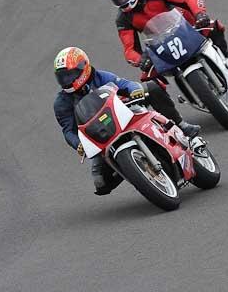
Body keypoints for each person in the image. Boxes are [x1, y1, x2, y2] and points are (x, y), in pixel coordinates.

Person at [53, 46, 200, 195]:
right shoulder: (61, 103)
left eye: (70, 75)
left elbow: (123, 84)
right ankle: (138, 173)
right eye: (62, 77)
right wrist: (78, 144)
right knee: (101, 183)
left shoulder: (99, 76)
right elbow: (68, 130)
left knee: (153, 89)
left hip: (124, 116)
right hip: (100, 137)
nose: (66, 80)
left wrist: (134, 89)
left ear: (83, 67)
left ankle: (181, 125)